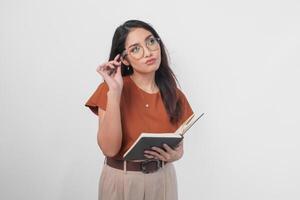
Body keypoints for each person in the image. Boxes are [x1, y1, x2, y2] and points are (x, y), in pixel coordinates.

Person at [85, 19, 194, 200]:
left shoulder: (175, 94)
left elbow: (178, 145)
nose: (148, 52)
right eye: (136, 48)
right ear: (124, 59)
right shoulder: (110, 89)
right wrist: (115, 92)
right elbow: (109, 149)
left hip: (163, 179)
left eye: (151, 41)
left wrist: (177, 154)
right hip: (122, 179)